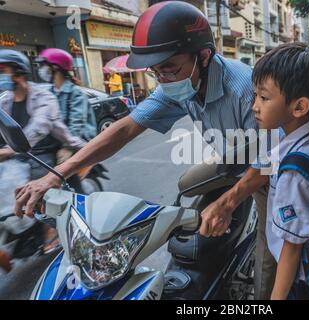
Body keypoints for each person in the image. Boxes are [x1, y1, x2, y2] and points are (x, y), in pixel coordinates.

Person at [13, 1, 274, 299]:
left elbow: (269, 158)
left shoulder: (244, 89)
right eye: (155, 73)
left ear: (203, 56)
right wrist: (57, 174)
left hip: (267, 167)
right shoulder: (178, 81)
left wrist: (227, 204)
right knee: (186, 190)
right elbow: (124, 129)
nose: (162, 79)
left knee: (272, 251)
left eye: (169, 69)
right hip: (235, 156)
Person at [202, 43, 309, 300]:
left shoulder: (294, 175)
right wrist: (228, 202)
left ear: (299, 107)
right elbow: (266, 163)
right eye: (255, 96)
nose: (254, 106)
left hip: (302, 276)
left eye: (264, 98)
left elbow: (292, 249)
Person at [0, 49, 85, 254]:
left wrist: (8, 150)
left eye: (3, 71)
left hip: (45, 149)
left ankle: (52, 228)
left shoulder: (43, 95)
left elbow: (38, 128)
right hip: (19, 153)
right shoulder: (5, 99)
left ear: (18, 72)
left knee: (38, 180)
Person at [36, 48, 97, 192]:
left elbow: (77, 123)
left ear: (55, 68)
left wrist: (67, 148)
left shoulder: (75, 93)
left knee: (65, 173)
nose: (41, 70)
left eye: (44, 66)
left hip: (77, 141)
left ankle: (82, 205)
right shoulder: (48, 92)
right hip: (58, 140)